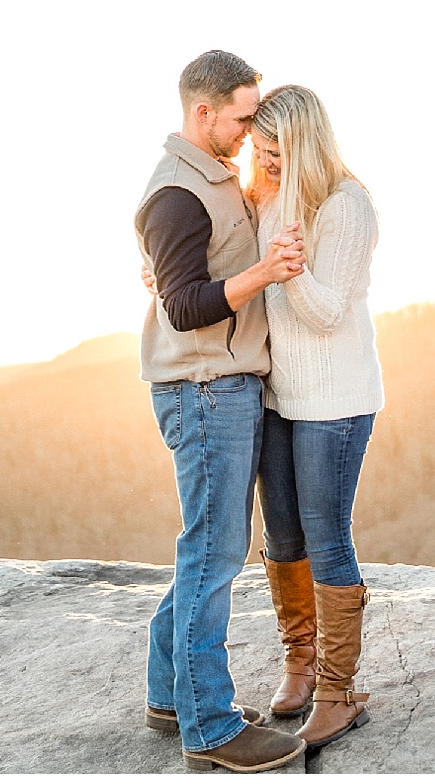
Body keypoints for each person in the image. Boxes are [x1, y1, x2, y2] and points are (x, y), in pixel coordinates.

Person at [134, 50, 310, 773]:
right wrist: (265, 273)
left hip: (222, 384)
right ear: (203, 111)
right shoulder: (178, 192)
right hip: (205, 387)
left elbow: (179, 274)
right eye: (241, 116)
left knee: (207, 545)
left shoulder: (211, 178)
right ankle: (208, 725)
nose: (248, 128)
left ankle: (168, 694)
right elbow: (182, 308)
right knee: (213, 550)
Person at [244, 84, 383, 750]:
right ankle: (299, 661)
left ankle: (337, 690)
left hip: (334, 401)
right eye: (258, 150)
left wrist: (288, 269)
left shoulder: (346, 204)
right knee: (283, 536)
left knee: (327, 536)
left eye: (275, 152)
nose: (263, 161)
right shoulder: (267, 194)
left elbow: (325, 312)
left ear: (302, 145)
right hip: (278, 396)